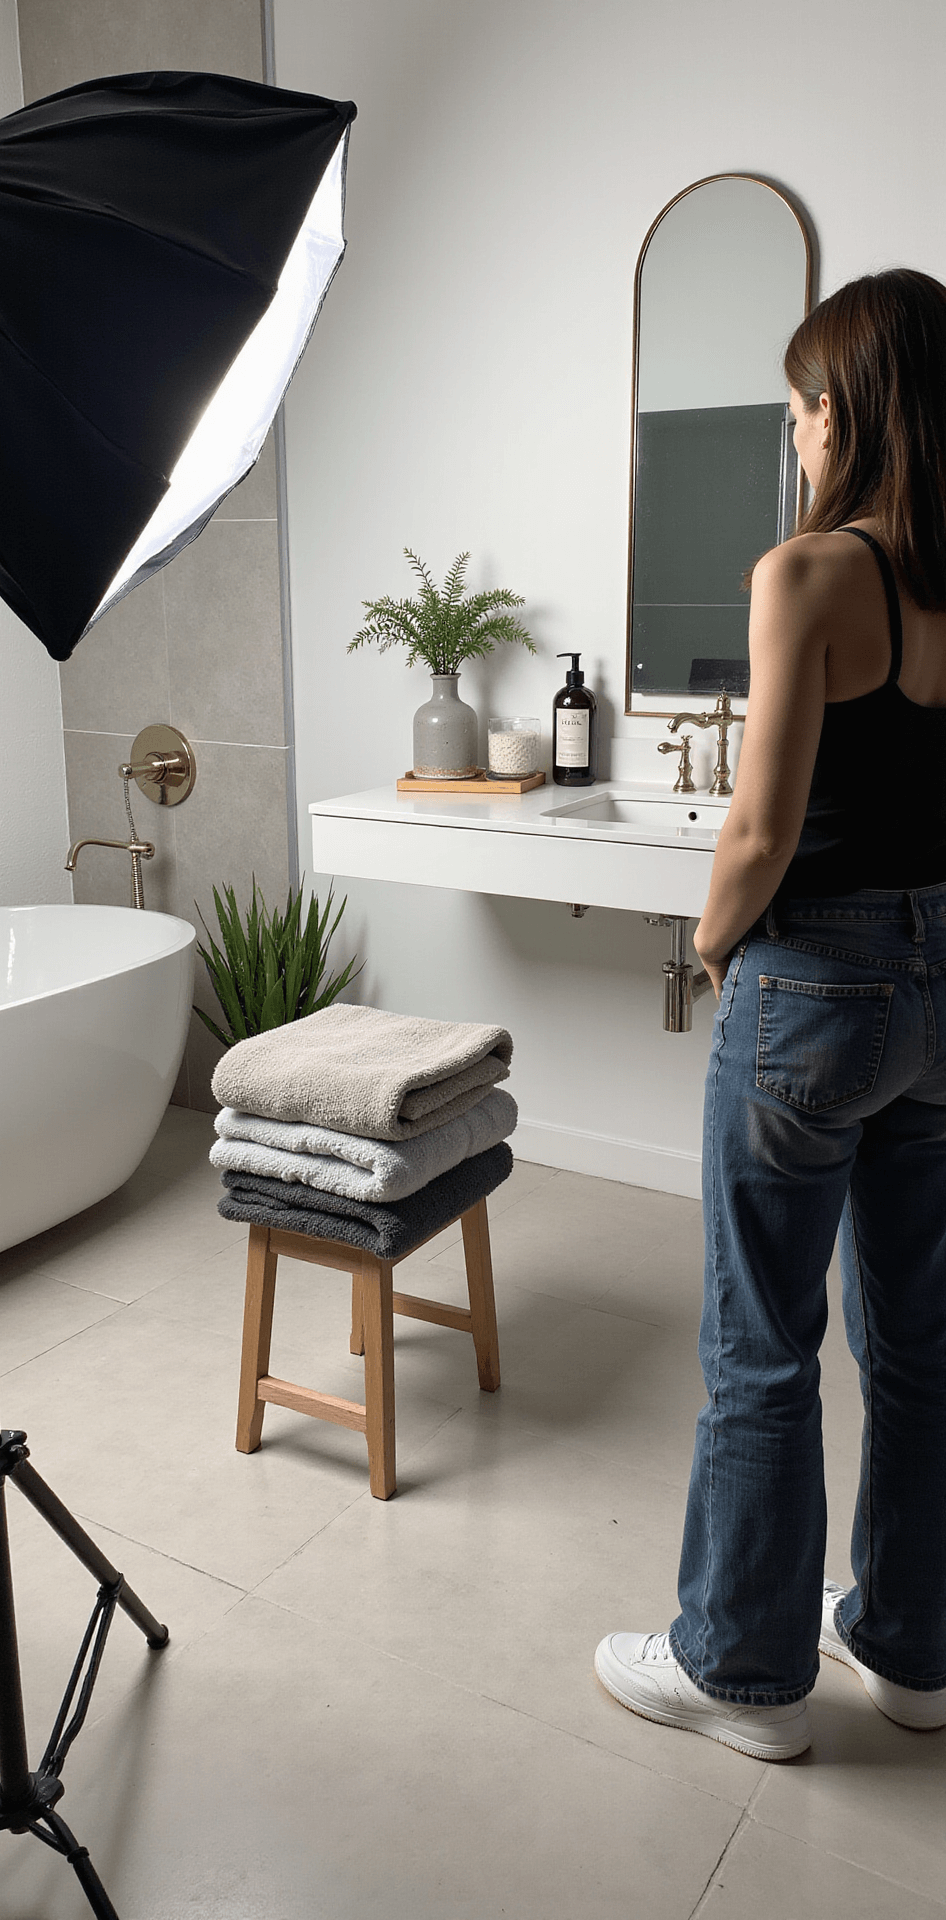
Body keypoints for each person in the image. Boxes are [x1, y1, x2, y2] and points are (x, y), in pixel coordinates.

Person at [595, 268, 946, 1760]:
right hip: (944, 985)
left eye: (805, 406)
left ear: (845, 413)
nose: (797, 435)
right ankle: (916, 1652)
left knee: (761, 1337)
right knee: (922, 1341)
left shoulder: (808, 576)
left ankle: (740, 1673)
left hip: (812, 984)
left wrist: (711, 945)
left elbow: (758, 830)